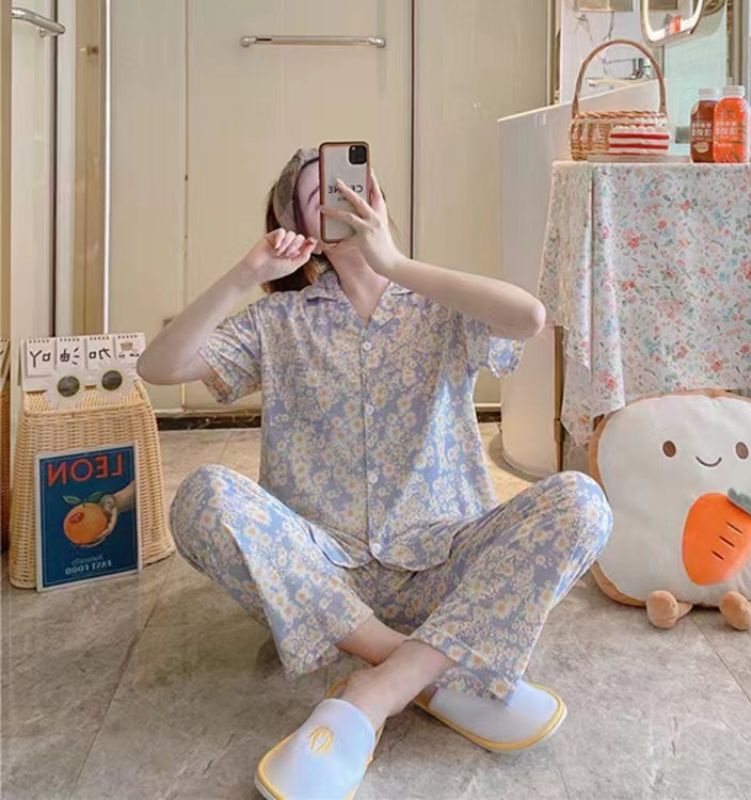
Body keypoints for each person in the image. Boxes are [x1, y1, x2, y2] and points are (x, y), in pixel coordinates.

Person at [137, 147, 613, 800]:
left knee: (582, 503)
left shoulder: (438, 304)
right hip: (323, 577)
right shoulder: (277, 323)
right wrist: (246, 273)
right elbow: (159, 368)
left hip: (445, 567)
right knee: (203, 497)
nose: (345, 199)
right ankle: (424, 668)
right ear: (301, 229)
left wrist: (395, 264)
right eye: (322, 197)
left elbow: (528, 318)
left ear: (379, 198)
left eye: (352, 184)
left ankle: (376, 689)